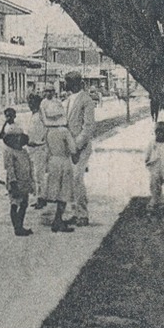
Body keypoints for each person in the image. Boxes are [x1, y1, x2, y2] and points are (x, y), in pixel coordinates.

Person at [63, 72, 97, 226]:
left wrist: (76, 147)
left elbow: (88, 127)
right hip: (68, 147)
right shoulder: (68, 100)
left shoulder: (86, 100)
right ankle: (75, 213)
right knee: (71, 181)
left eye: (67, 81)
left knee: (77, 178)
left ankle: (83, 214)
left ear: (75, 83)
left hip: (80, 147)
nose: (65, 84)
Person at [41, 100, 77, 233]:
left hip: (53, 162)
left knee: (55, 192)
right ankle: (58, 220)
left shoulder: (48, 132)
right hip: (63, 161)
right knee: (64, 192)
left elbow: (46, 149)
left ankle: (58, 219)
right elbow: (73, 150)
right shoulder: (64, 132)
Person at [1, 127, 36, 236]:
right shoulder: (9, 152)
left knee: (24, 204)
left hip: (25, 182)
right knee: (15, 204)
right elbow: (10, 169)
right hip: (16, 182)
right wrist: (13, 183)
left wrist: (32, 181)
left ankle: (20, 225)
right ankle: (17, 228)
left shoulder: (24, 151)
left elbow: (30, 166)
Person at [25, 90, 50, 207]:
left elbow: (44, 132)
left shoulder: (40, 116)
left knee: (39, 175)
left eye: (32, 103)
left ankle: (42, 198)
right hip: (33, 149)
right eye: (29, 103)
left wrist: (39, 142)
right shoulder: (34, 115)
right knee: (36, 174)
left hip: (39, 148)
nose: (30, 105)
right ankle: (39, 197)